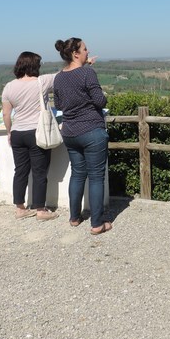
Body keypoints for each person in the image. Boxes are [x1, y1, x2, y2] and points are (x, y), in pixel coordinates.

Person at [53, 38, 112, 234]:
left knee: (77, 174)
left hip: (70, 133)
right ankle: (97, 224)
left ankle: (74, 218)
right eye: (85, 49)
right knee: (96, 177)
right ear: (76, 54)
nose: (88, 51)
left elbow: (60, 105)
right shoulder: (87, 73)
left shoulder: (59, 77)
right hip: (91, 131)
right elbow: (100, 100)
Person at [1, 51, 59, 221]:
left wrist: (10, 132)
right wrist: (85, 64)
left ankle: (20, 208)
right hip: (37, 132)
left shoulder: (9, 86)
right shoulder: (42, 82)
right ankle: (40, 210)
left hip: (18, 133)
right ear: (34, 66)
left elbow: (6, 114)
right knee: (40, 172)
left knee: (20, 171)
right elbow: (64, 75)